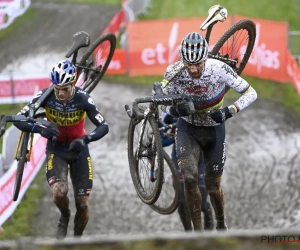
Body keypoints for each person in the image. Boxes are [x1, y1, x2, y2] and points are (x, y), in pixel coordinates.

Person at [160, 32, 257, 231]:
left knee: (213, 188)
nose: (193, 69)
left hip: (214, 130)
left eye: (198, 64)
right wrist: (174, 110)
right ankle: (196, 233)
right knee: (188, 177)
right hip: (188, 128)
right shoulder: (174, 72)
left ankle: (221, 222)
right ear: (182, 59)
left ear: (206, 58)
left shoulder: (219, 68)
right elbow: (159, 103)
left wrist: (229, 111)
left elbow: (251, 92)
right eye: (189, 64)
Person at [14, 59, 109, 239]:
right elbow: (19, 119)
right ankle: (64, 216)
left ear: (73, 83)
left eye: (65, 89)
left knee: (83, 204)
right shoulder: (46, 95)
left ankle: (76, 241)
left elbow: (104, 126)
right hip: (56, 150)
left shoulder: (83, 98)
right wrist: (41, 129)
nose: (61, 93)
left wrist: (86, 138)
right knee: (59, 193)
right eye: (57, 89)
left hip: (78, 149)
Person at [159, 112, 214, 231]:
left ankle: (208, 226)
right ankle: (188, 234)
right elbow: (161, 141)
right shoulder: (171, 111)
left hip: (203, 157)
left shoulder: (205, 105)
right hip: (181, 156)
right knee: (182, 200)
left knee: (201, 203)